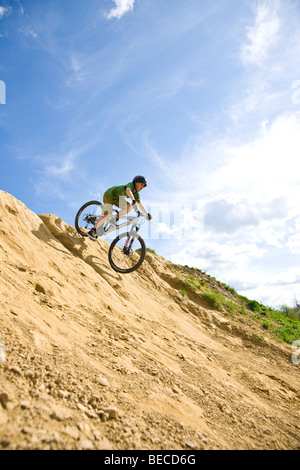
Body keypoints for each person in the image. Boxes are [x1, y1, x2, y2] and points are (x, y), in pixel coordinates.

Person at [88, 175, 152, 240]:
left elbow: (139, 204)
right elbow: (128, 191)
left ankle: (114, 220)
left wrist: (147, 214)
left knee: (128, 207)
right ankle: (93, 231)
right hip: (109, 195)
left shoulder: (136, 193)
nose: (142, 187)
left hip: (117, 199)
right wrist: (133, 200)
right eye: (141, 184)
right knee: (107, 215)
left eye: (143, 186)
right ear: (136, 182)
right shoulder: (130, 185)